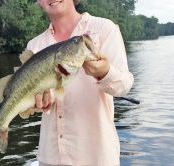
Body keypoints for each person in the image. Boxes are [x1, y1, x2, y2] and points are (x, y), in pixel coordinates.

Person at [25, 0, 134, 165]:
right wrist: (36, 103)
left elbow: (124, 86)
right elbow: (30, 99)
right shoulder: (34, 45)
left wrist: (105, 72)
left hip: (97, 157)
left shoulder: (104, 29)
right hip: (50, 158)